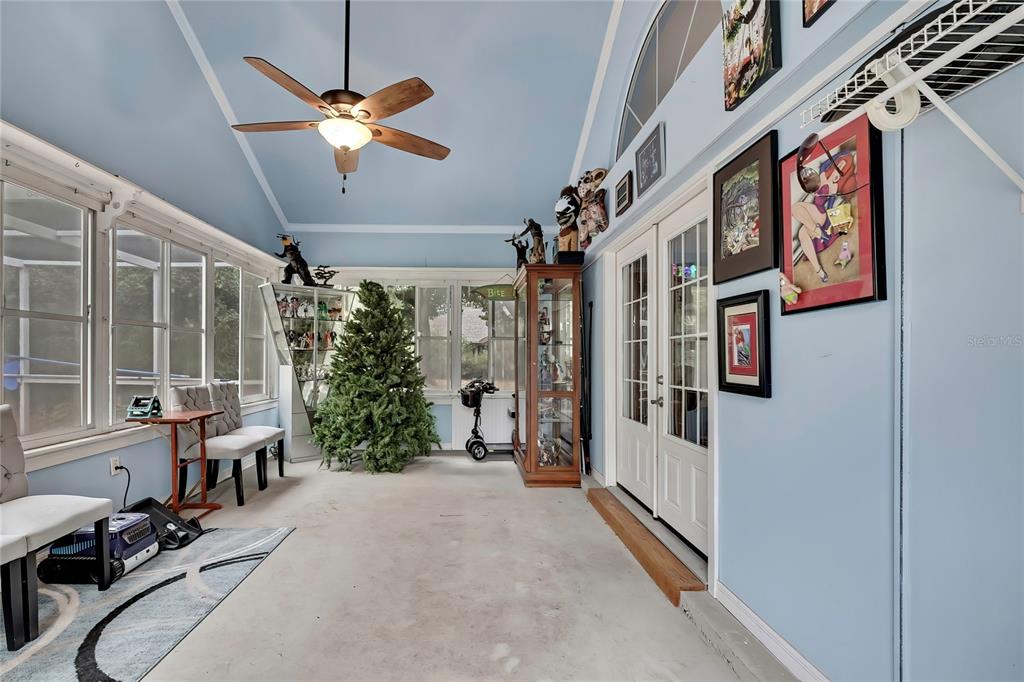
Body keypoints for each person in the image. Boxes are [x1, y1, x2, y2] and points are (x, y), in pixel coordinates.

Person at [790, 151, 855, 283]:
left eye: (843, 169)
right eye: (840, 166)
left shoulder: (835, 187)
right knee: (803, 233)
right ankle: (820, 271)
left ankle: (819, 232)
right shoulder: (822, 175)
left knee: (795, 208)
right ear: (834, 164)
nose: (840, 171)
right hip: (813, 215)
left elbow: (831, 205)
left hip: (822, 215)